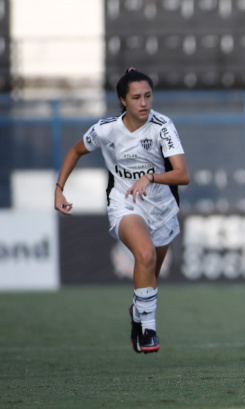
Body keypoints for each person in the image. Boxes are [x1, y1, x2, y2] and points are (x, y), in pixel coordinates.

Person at [54, 68, 190, 353]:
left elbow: (183, 174)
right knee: (145, 254)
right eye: (137, 97)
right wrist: (59, 188)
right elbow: (76, 151)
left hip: (162, 208)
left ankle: (137, 315)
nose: (144, 103)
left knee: (150, 275)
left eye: (148, 96)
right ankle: (148, 329)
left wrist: (151, 177)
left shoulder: (163, 127)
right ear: (123, 100)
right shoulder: (106, 129)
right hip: (125, 203)